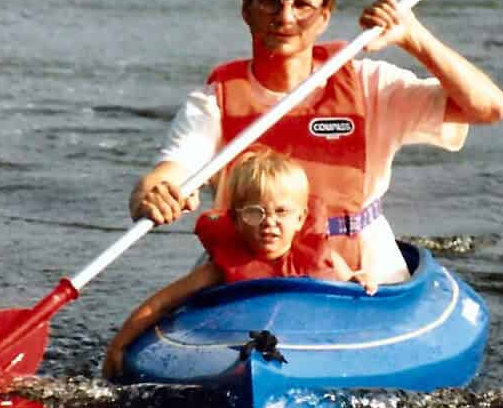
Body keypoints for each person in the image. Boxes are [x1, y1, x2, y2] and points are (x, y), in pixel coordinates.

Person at [130, 0, 503, 285]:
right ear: (246, 8)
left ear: (324, 17)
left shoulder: (369, 84)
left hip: (360, 270)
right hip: (249, 270)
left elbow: (488, 108)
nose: (285, 17)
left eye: (302, 5)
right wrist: (153, 195)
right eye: (270, 0)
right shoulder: (214, 102)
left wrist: (415, 39)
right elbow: (168, 172)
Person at [103, 148, 374, 380]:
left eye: (281, 212)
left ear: (301, 219)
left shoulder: (320, 256)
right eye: (255, 213)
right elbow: (161, 303)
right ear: (235, 220)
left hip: (298, 338)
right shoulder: (221, 268)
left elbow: (347, 285)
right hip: (235, 340)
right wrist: (119, 346)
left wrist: (358, 280)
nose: (269, 222)